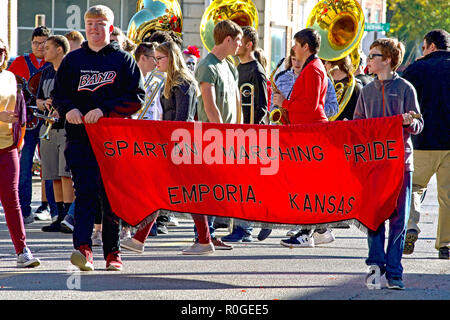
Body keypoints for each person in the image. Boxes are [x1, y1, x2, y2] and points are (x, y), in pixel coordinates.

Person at [52, 5, 145, 271]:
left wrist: (104, 111)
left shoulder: (124, 60)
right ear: (85, 27)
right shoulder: (72, 60)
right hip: (80, 138)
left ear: (110, 28)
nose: (94, 28)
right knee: (85, 193)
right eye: (90, 23)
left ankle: (112, 253)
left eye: (100, 23)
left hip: (113, 141)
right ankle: (83, 248)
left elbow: (135, 97)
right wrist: (68, 109)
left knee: (111, 196)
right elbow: (59, 94)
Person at [121, 41, 207, 254]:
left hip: (179, 145)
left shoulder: (182, 82)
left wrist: (170, 145)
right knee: (176, 194)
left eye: (160, 58)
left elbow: (182, 119)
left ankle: (203, 240)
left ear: (171, 58)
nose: (156, 61)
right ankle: (203, 240)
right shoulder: (171, 81)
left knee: (173, 194)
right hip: (175, 144)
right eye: (155, 58)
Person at [354, 38, 423, 290]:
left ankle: (394, 272)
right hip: (374, 165)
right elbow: (358, 125)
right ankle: (375, 266)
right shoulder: (366, 91)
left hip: (401, 163)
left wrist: (408, 122)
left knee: (398, 219)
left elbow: (418, 123)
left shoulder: (405, 88)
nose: (368, 59)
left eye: (373, 55)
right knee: (374, 218)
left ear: (388, 60)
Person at [272, 29, 334, 248]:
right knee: (309, 184)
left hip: (311, 132)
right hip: (307, 131)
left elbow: (310, 105)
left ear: (305, 46)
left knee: (307, 185)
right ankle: (320, 230)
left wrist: (284, 104)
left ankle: (307, 233)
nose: (293, 49)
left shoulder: (313, 70)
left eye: (296, 44)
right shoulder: (312, 68)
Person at [193, 19, 245, 251]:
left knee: (217, 190)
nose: (240, 45)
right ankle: (203, 236)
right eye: (238, 41)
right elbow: (210, 104)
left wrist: (239, 131)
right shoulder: (207, 65)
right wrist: (223, 134)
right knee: (206, 188)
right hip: (212, 137)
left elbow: (236, 101)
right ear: (227, 40)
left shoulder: (230, 65)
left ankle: (209, 235)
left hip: (228, 136)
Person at [402, 29, 450, 260]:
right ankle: (445, 245)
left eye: (423, 47)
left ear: (431, 46)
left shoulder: (417, 68)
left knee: (415, 187)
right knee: (447, 197)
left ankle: (411, 226)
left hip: (421, 141)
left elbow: (402, 98)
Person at [221, 26, 267, 243]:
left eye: (241, 42)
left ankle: (245, 228)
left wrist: (250, 130)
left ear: (249, 45)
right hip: (235, 129)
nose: (236, 45)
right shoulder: (235, 67)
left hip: (248, 133)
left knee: (246, 184)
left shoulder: (256, 71)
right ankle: (240, 225)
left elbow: (263, 107)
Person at [0, 37, 41, 268]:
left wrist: (21, 138)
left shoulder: (11, 77)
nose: (0, 55)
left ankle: (22, 250)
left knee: (12, 200)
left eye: (2, 50)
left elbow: (21, 110)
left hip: (8, 146)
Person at [8, 26, 55, 225]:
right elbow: (8, 88)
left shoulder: (55, 63)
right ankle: (24, 210)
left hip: (49, 122)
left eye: (44, 43)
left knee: (52, 169)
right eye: (36, 43)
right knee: (24, 167)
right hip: (27, 122)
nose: (40, 47)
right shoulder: (19, 62)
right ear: (31, 43)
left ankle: (56, 212)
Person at [35, 35, 75, 233]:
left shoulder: (70, 71)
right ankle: (58, 215)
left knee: (65, 174)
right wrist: (44, 104)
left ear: (59, 49)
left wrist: (63, 106)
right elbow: (39, 99)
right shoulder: (47, 72)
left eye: (48, 47)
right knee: (52, 175)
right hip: (48, 126)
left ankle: (69, 215)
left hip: (66, 128)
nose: (44, 50)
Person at [324, 55, 362, 120]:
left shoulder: (355, 87)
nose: (323, 65)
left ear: (329, 63)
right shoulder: (324, 82)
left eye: (325, 62)